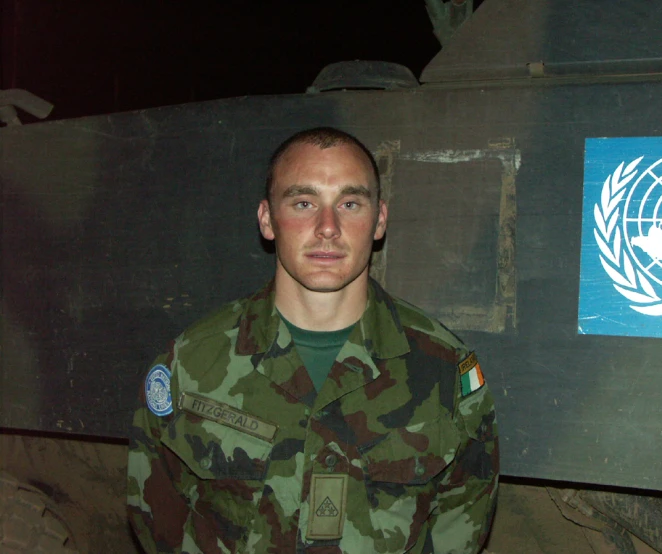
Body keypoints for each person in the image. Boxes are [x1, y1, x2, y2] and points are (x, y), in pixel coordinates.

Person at [127, 127, 499, 553]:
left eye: (350, 203)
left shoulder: (446, 370)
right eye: (304, 203)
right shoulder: (192, 364)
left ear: (379, 221)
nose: (327, 227)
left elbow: (463, 519)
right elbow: (158, 517)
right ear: (267, 219)